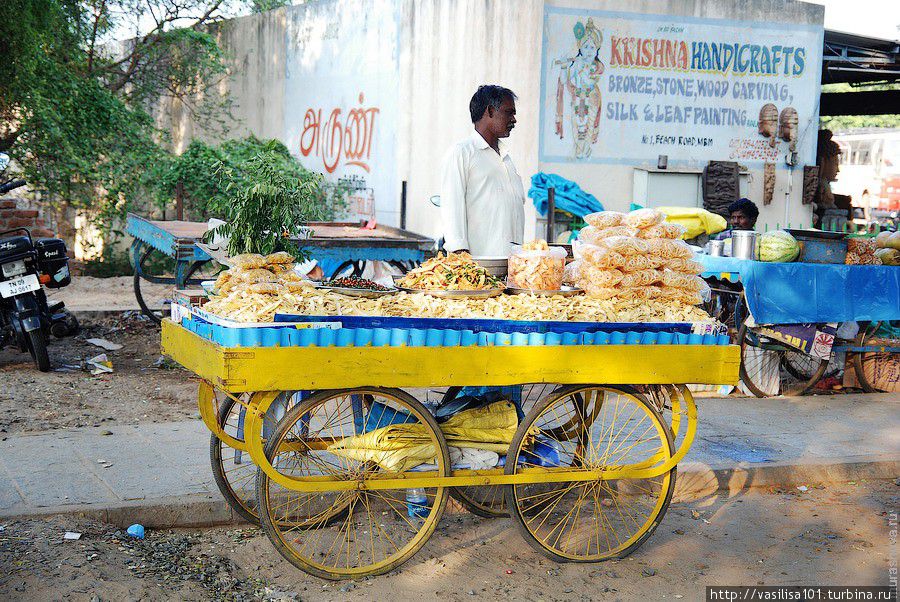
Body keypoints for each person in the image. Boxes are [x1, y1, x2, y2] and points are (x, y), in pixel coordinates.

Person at [440, 85, 526, 257]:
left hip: (510, 266)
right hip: (478, 267)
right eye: (509, 112)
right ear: (490, 111)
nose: (514, 120)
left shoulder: (506, 158)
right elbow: (452, 206)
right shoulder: (462, 153)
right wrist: (461, 257)